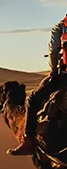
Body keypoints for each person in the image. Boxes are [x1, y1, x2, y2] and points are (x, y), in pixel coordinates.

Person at [8, 15, 67, 155]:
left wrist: (53, 71)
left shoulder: (60, 27)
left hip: (65, 76)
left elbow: (53, 51)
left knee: (32, 99)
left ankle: (28, 141)